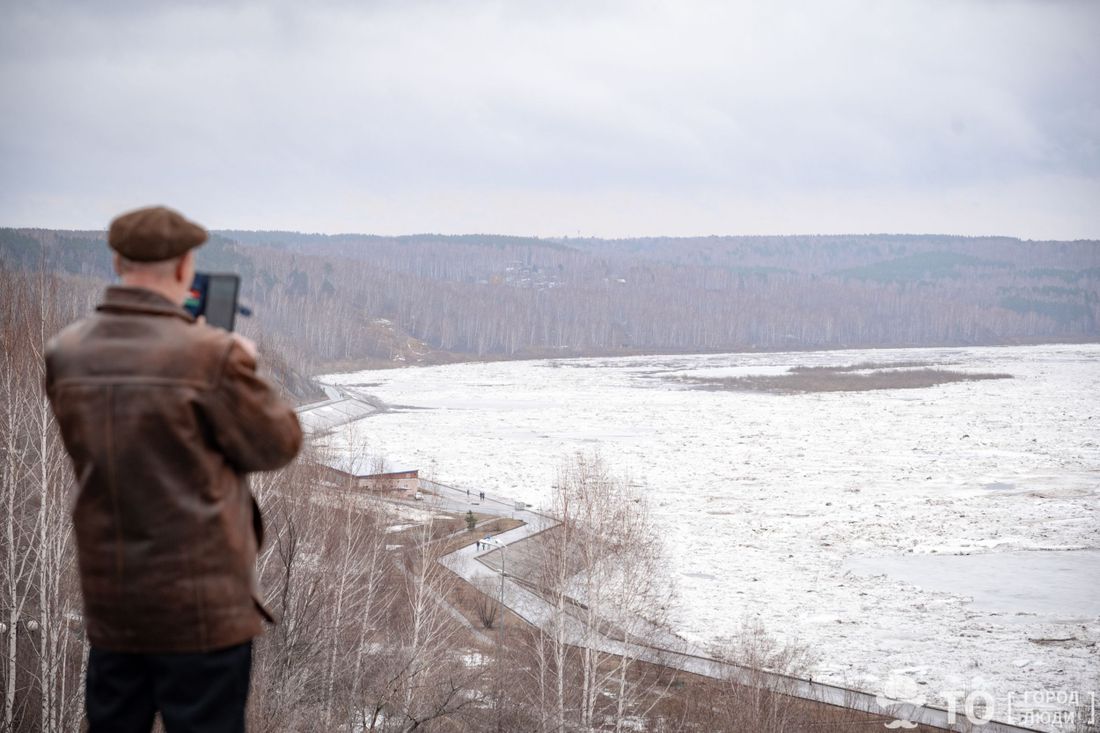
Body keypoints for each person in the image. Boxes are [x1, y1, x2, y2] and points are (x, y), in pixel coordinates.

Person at [44, 206, 303, 733]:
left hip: (113, 601)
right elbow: (277, 444)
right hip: (203, 608)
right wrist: (241, 363)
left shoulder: (66, 354)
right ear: (186, 266)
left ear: (118, 261)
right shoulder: (210, 356)